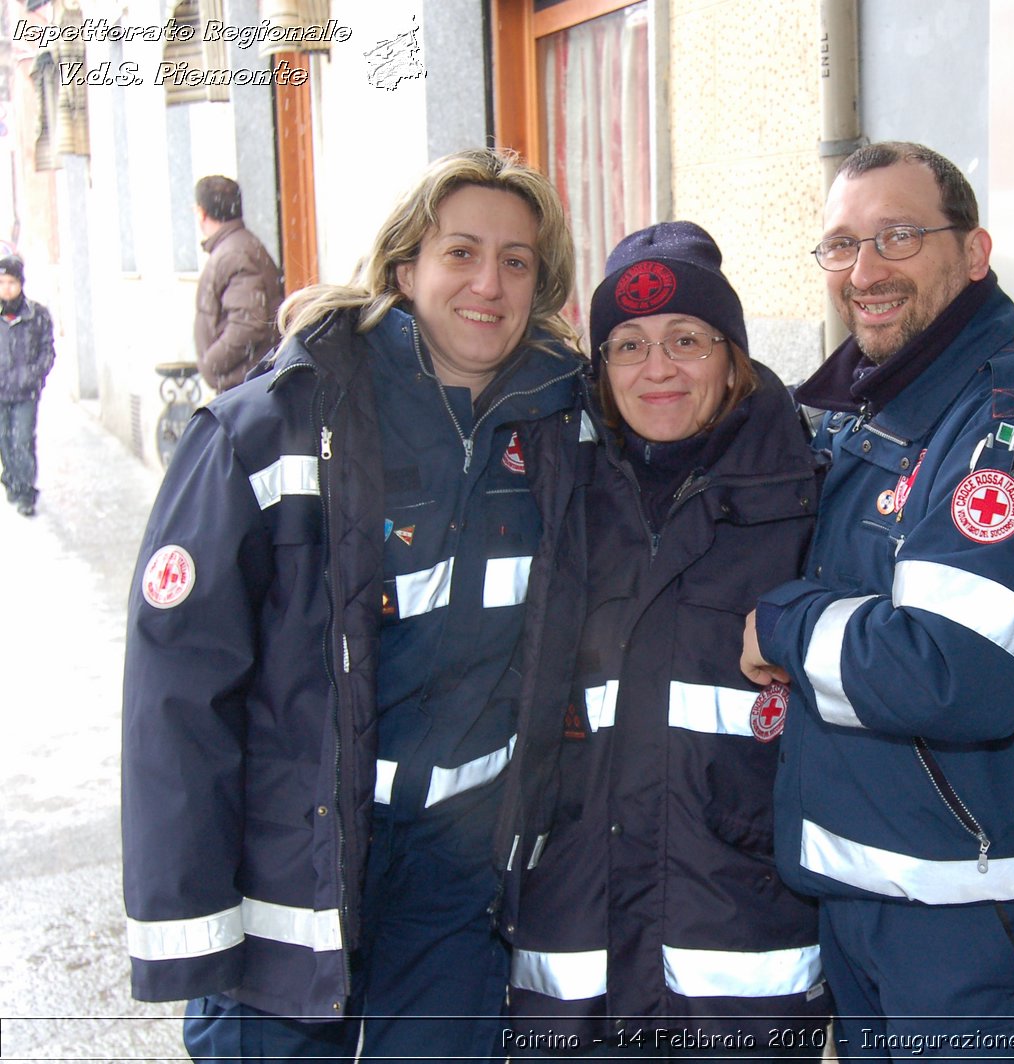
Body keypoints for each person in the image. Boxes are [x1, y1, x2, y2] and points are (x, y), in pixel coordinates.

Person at [122, 149, 590, 1063]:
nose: (488, 284)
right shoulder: (273, 429)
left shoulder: (565, 430)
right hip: (295, 872)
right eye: (461, 252)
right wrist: (191, 918)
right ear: (406, 265)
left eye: (517, 261)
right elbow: (177, 695)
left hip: (458, 885)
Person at [740, 141, 1014, 1057]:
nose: (866, 271)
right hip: (875, 897)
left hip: (984, 922)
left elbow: (954, 673)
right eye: (841, 245)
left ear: (975, 251)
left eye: (899, 237)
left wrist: (783, 624)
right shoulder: (875, 409)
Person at [503, 222, 832, 1059]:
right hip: (577, 946)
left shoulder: (810, 492)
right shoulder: (558, 494)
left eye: (687, 340)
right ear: (599, 367)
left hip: (739, 957)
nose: (657, 369)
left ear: (733, 357)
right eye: (628, 345)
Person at [192, 175, 285, 391]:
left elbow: (248, 324)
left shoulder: (233, 253)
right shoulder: (238, 246)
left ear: (201, 212)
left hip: (244, 386)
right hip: (248, 383)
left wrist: (210, 364)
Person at [0, 254, 54, 517]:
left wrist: (34, 375)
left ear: (21, 283)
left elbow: (47, 351)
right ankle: (11, 478)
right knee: (4, 441)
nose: (6, 288)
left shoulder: (36, 315)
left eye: (11, 281)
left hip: (25, 392)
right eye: (1, 282)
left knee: (21, 440)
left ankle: (25, 492)